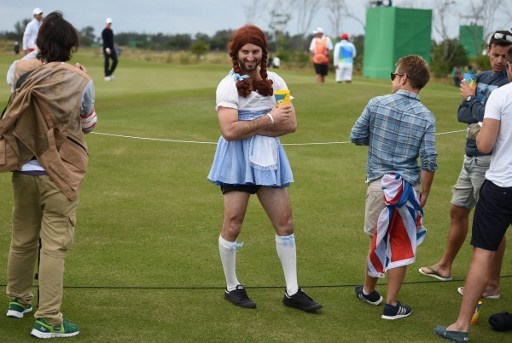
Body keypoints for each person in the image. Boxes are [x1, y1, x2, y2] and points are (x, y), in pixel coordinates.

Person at [207, 24, 322, 313]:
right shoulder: (227, 85)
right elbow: (229, 132)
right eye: (244, 51)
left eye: (255, 51)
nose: (250, 56)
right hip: (235, 160)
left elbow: (291, 124)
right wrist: (269, 119)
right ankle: (232, 286)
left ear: (263, 52)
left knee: (285, 224)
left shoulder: (278, 82)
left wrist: (256, 125)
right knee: (233, 223)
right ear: (236, 53)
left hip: (269, 158)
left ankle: (293, 290)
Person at [2, 11, 97, 339]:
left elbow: (17, 86)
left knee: (23, 238)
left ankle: (18, 301)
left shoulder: (20, 69)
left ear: (40, 41)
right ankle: (49, 319)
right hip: (60, 171)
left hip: (24, 168)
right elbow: (89, 123)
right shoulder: (80, 78)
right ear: (70, 45)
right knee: (55, 246)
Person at [418, 30, 512, 299]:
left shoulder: (508, 85)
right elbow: (462, 114)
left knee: (493, 224)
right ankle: (445, 266)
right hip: (469, 156)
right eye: (495, 54)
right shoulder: (475, 77)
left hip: (491, 161)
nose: (499, 60)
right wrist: (474, 103)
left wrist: (473, 100)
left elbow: (484, 114)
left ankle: (491, 284)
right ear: (488, 51)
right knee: (457, 211)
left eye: (505, 56)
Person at [434, 44, 512, 343]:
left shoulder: (501, 96)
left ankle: (461, 326)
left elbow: (485, 145)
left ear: (510, 67)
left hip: (501, 184)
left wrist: (482, 126)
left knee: (482, 251)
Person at [350, 55, 437, 320]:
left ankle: (369, 290)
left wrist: (377, 141)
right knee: (400, 243)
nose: (393, 80)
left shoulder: (377, 104)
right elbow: (430, 161)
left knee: (376, 240)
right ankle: (391, 303)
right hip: (406, 190)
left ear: (403, 78)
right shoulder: (426, 116)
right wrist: (425, 192)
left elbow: (356, 136)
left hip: (378, 184)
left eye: (394, 76)